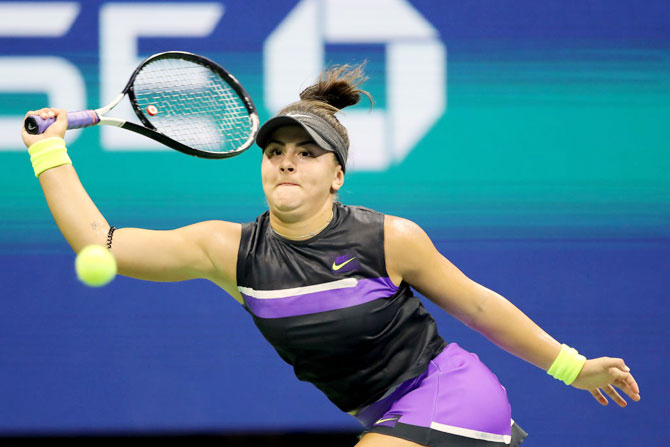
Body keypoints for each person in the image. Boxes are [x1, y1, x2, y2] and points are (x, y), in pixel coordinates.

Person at [22, 64, 640, 447]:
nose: (286, 159)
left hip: (452, 396)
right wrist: (48, 154)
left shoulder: (388, 238)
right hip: (388, 418)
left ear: (337, 174)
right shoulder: (227, 250)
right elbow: (98, 243)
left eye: (306, 151)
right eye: (275, 151)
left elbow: (479, 306)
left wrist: (572, 368)